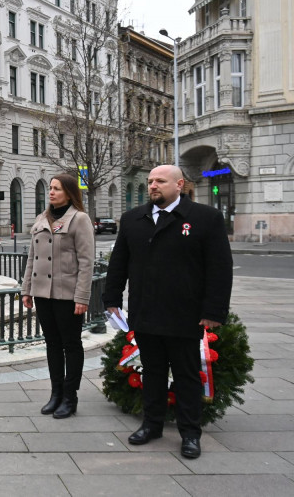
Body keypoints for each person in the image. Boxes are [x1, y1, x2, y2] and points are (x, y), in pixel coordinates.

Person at [103, 164, 232, 459]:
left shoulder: (205, 218)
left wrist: (214, 310)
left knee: (186, 375)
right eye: (150, 181)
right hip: (146, 312)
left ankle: (190, 433)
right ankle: (152, 425)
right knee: (153, 372)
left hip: (184, 315)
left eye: (160, 181)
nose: (152, 186)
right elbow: (119, 264)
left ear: (179, 184)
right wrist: (111, 300)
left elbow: (219, 269)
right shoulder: (133, 219)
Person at [21, 173, 94, 419]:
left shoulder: (79, 219)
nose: (51, 192)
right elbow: (32, 258)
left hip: (67, 295)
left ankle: (69, 396)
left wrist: (82, 297)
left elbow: (86, 262)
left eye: (57, 189)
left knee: (71, 345)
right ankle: (55, 393)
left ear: (69, 193)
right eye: (51, 188)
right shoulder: (42, 218)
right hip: (43, 293)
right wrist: (26, 289)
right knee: (52, 344)